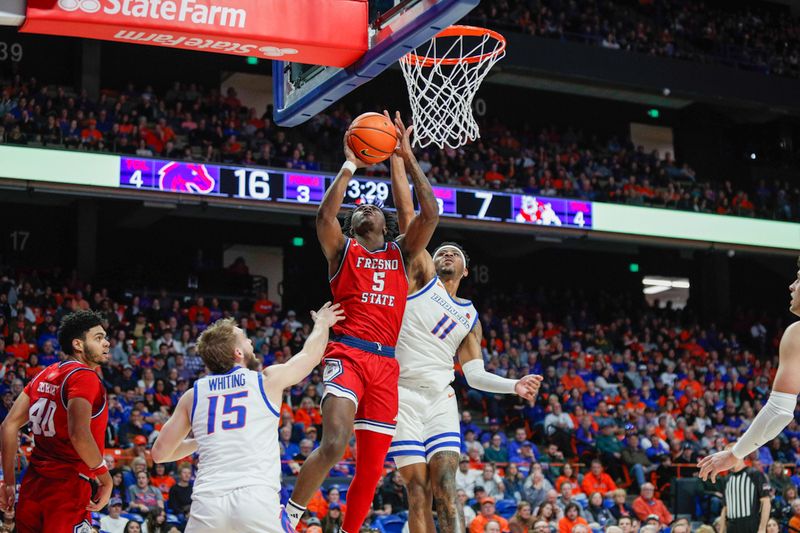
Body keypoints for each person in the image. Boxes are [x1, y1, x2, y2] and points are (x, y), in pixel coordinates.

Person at [285, 112, 440, 532]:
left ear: (384, 225)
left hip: (386, 366)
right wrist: (351, 164)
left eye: (373, 205)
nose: (366, 206)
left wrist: (407, 160)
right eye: (359, 207)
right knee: (335, 443)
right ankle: (287, 517)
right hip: (349, 353)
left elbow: (430, 213)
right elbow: (323, 218)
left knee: (371, 470)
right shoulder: (341, 252)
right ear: (352, 227)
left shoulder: (402, 256)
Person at [388, 156, 543, 533]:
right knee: (418, 489)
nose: (445, 254)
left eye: (454, 253)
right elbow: (409, 215)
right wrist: (399, 160)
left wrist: (513, 386)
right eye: (441, 250)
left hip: (439, 400)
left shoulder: (470, 314)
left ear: (466, 270)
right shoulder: (421, 277)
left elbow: (473, 375)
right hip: (401, 396)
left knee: (445, 486)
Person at [151, 302, 344, 532]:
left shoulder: (193, 395)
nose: (251, 340)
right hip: (254, 499)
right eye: (245, 338)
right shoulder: (265, 380)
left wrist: (200, 441)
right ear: (238, 352)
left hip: (207, 505)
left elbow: (160, 454)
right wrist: (322, 323)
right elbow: (310, 356)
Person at [0, 310, 112, 532]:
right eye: (98, 338)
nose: (106, 344)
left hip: (33, 485)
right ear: (78, 344)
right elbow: (79, 434)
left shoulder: (44, 374)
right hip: (67, 488)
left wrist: (9, 482)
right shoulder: (85, 376)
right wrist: (105, 478)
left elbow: (8, 425)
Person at [699, 260, 800, 481]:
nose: (791, 286)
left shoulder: (797, 334)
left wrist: (735, 453)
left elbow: (779, 412)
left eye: (799, 279)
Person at [718, 447, 771, 533]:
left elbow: (766, 502)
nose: (729, 459)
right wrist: (721, 530)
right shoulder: (726, 479)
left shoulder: (755, 474)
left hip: (751, 524)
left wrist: (762, 528)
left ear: (741, 454)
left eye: (731, 455)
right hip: (732, 525)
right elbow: (725, 508)